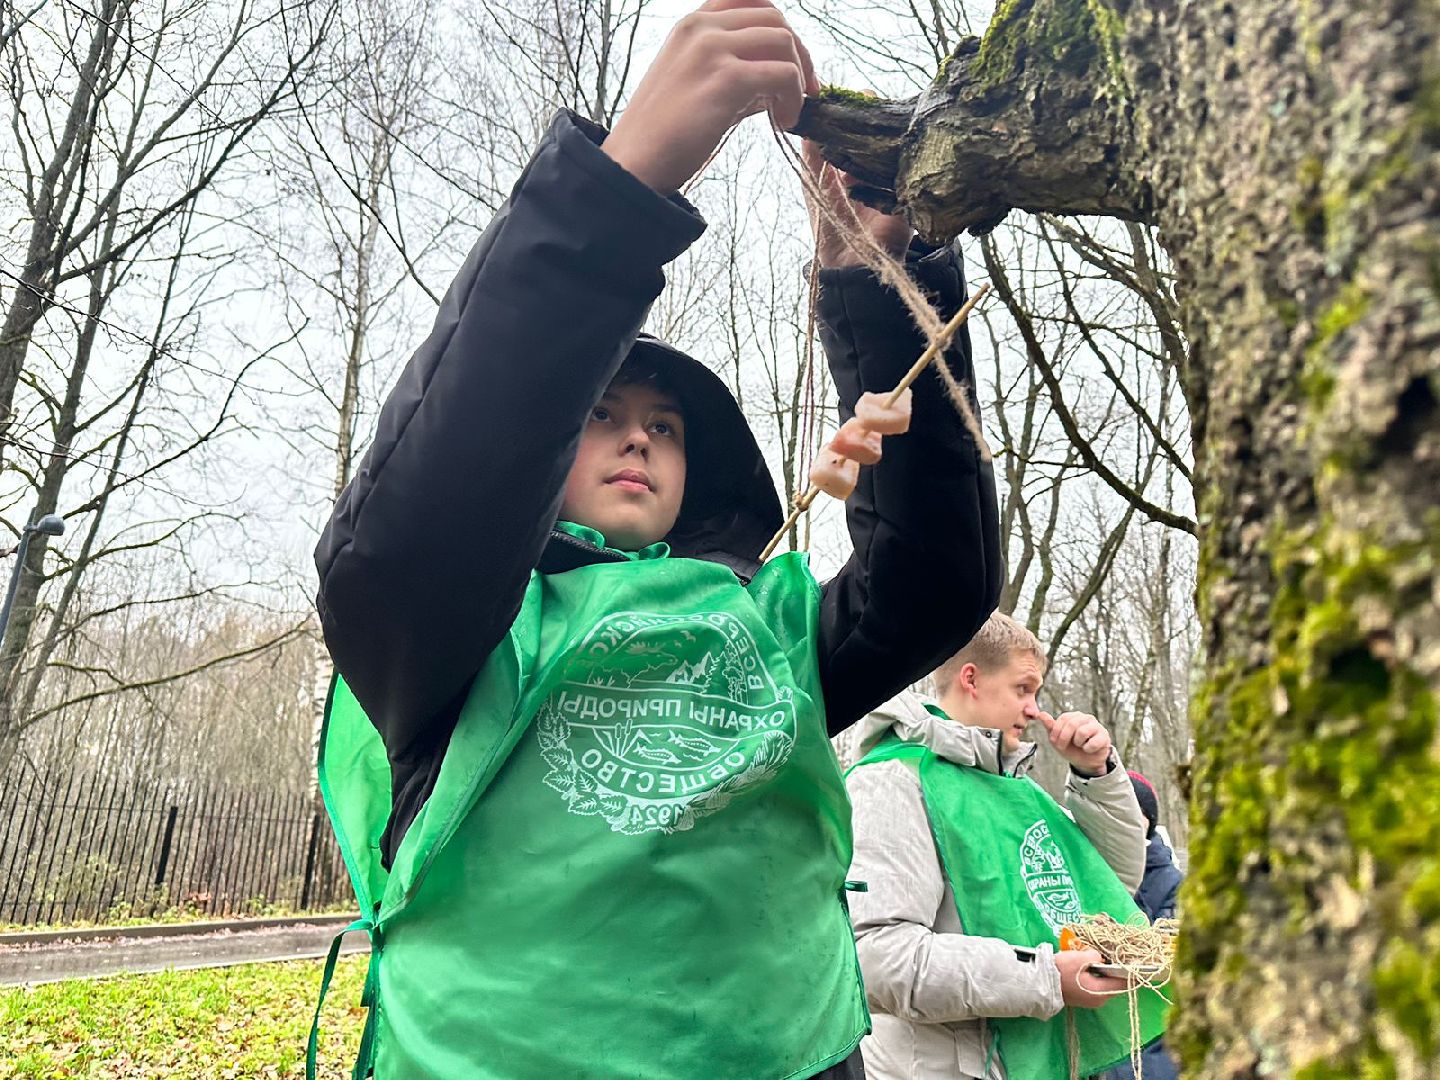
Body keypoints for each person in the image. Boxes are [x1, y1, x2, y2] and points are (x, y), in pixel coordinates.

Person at [308, 1, 1003, 1077]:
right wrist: (618, 193)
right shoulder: (458, 639)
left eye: (667, 428)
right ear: (543, 447)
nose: (639, 435)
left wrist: (872, 282)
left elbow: (938, 577)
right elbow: (405, 543)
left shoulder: (770, 622)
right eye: (600, 413)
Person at [845, 612, 1164, 1079]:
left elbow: (1110, 884)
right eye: (1024, 689)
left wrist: (1097, 775)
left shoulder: (1016, 791)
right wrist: (1046, 978)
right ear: (971, 679)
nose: (1034, 709)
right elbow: (877, 958)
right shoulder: (892, 782)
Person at [1097, 772, 1183, 1080]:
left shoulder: (1170, 882)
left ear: (1149, 821)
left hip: (1153, 1024)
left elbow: (1166, 961)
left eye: (1136, 813)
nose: (1127, 822)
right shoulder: (1091, 869)